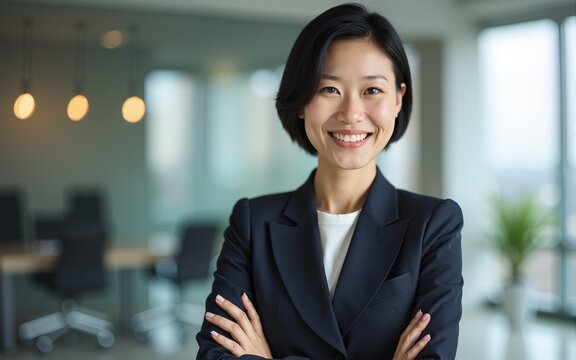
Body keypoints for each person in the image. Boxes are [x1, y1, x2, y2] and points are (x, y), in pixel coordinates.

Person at [196, 3, 463, 359]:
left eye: (372, 91)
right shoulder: (252, 223)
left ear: (398, 99)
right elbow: (216, 354)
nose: (351, 114)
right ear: (302, 101)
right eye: (329, 90)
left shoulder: (433, 224)